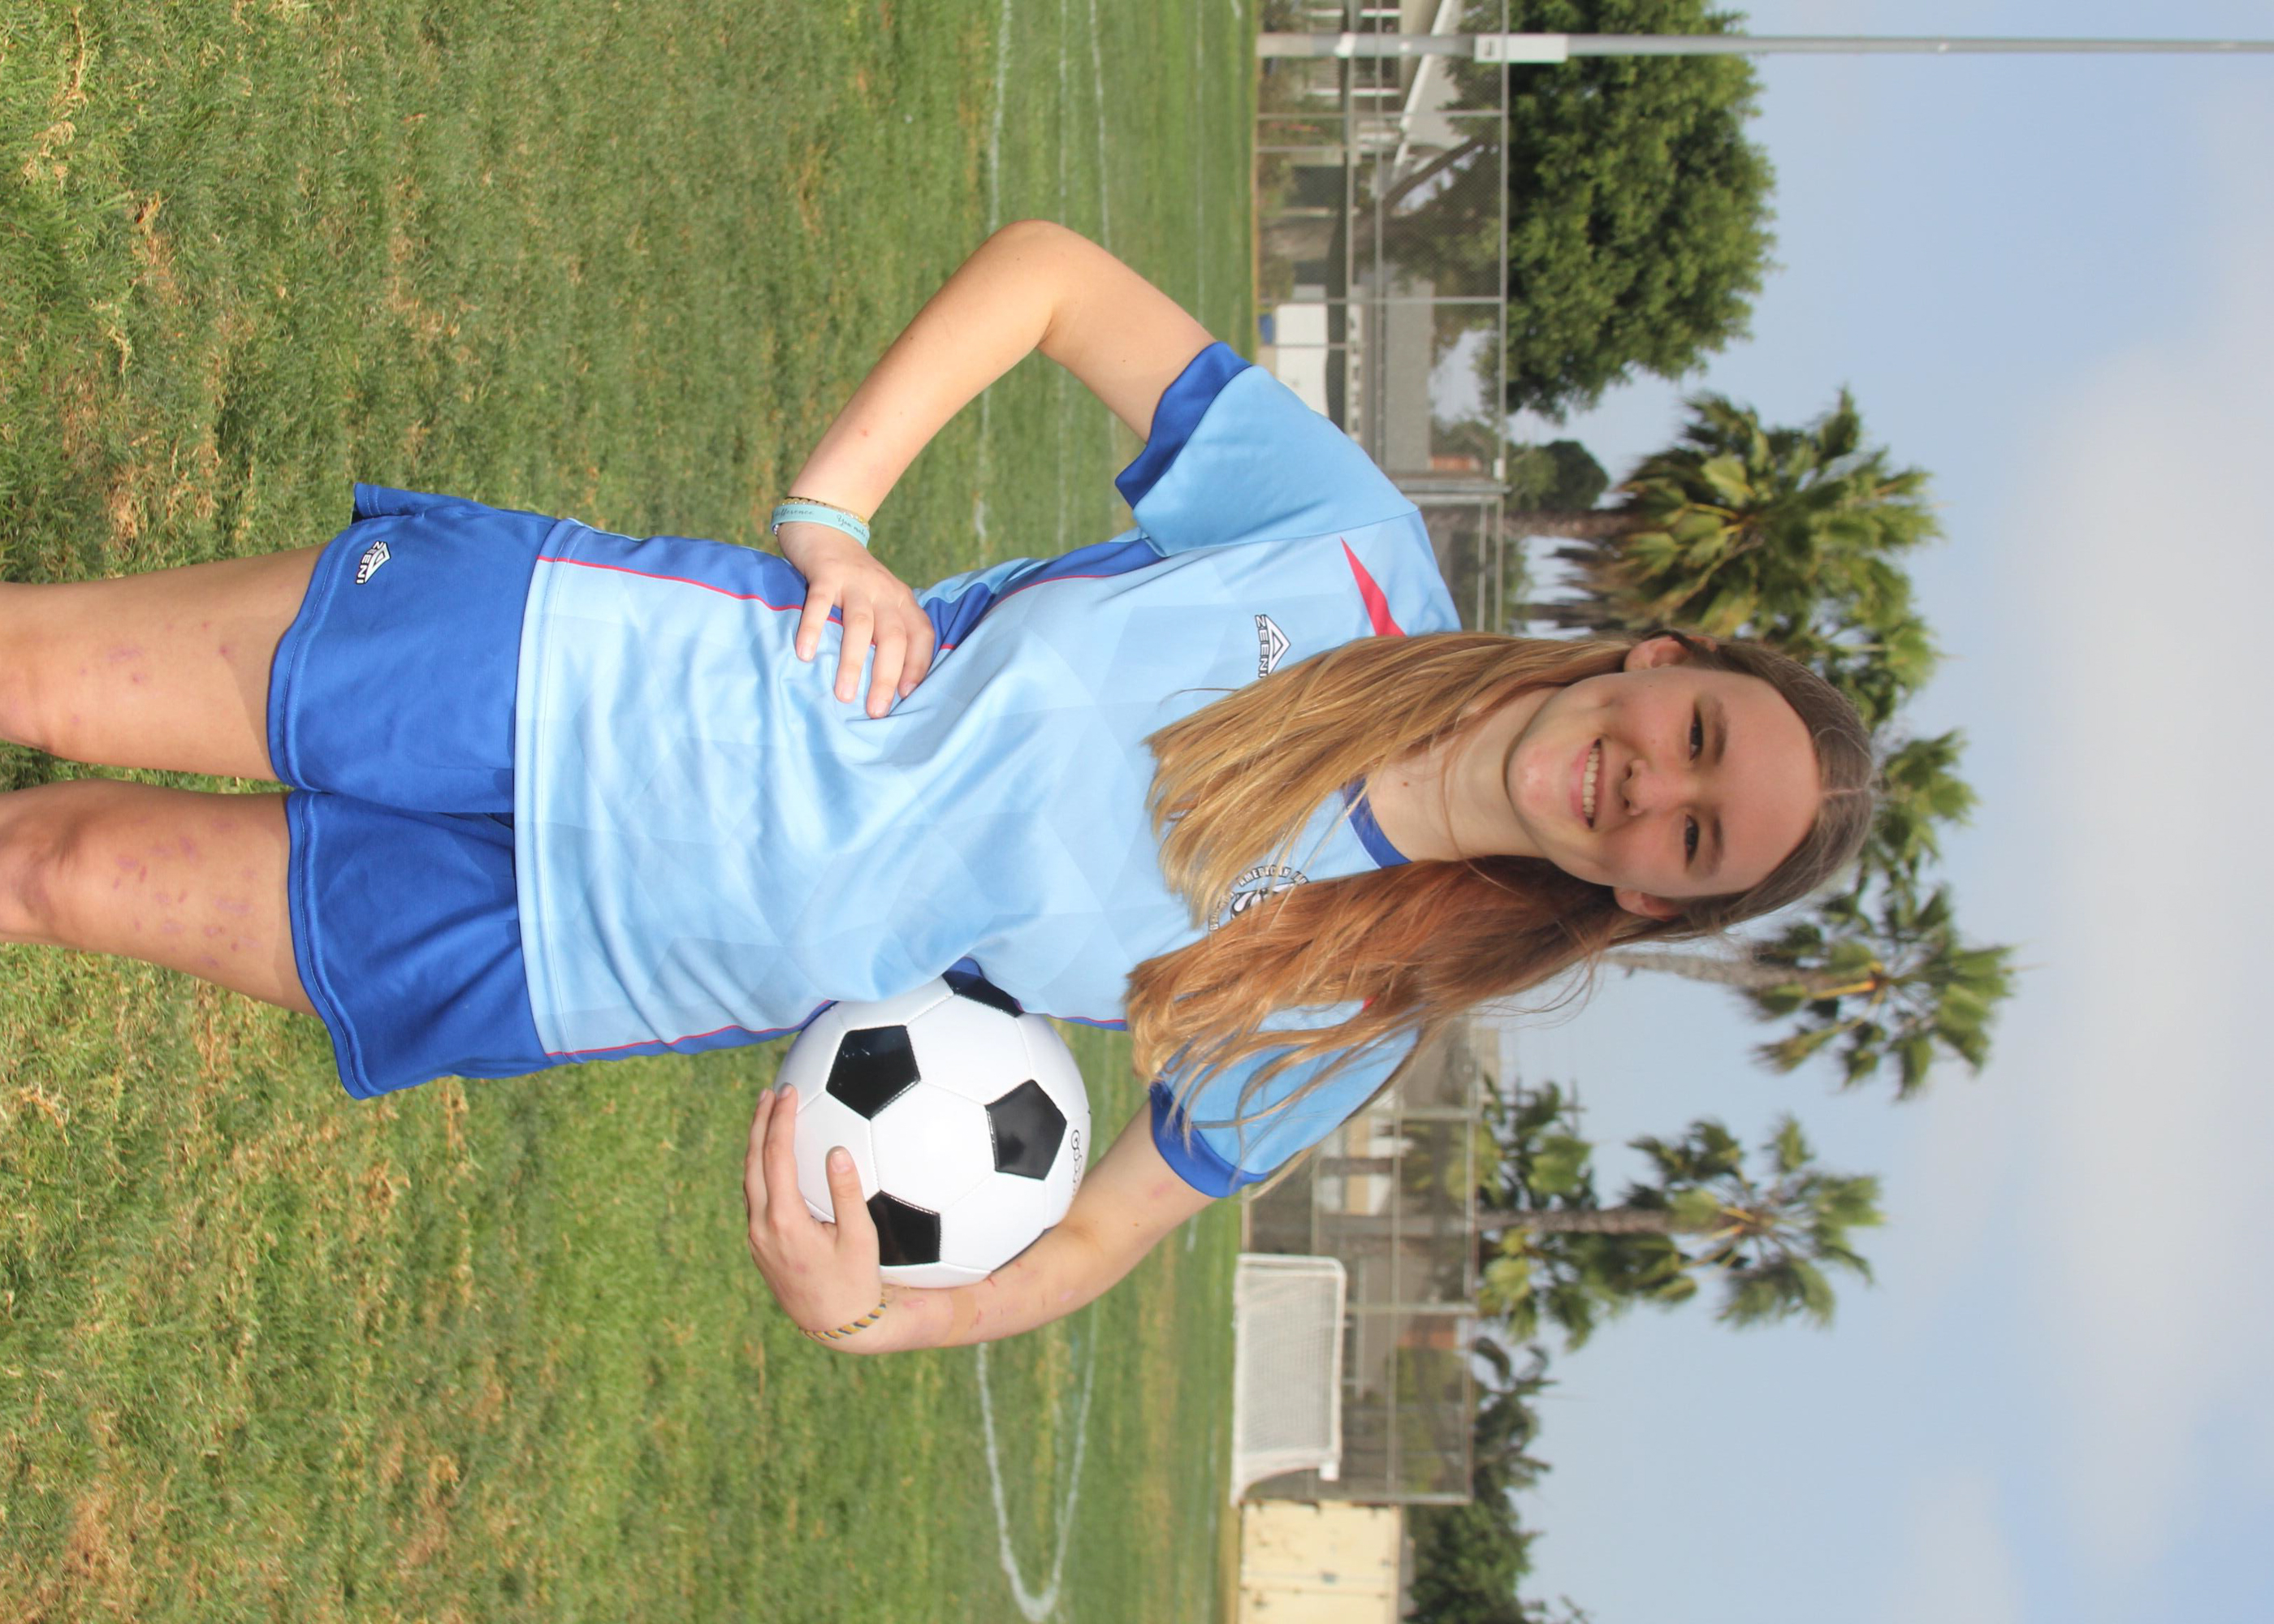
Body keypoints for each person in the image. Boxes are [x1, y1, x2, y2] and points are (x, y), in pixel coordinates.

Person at [0, 221, 1873, 1354]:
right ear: (1657, 662)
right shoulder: (1348, 553)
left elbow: (1099, 1233)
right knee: (39, 674)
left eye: (1692, 837)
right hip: (602, 673)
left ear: (1651, 896)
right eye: (1698, 734)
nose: (1649, 783)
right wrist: (832, 513)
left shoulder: (1360, 1006)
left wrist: (882, 1311)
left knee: (58, 872)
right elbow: (1052, 281)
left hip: (603, 960)